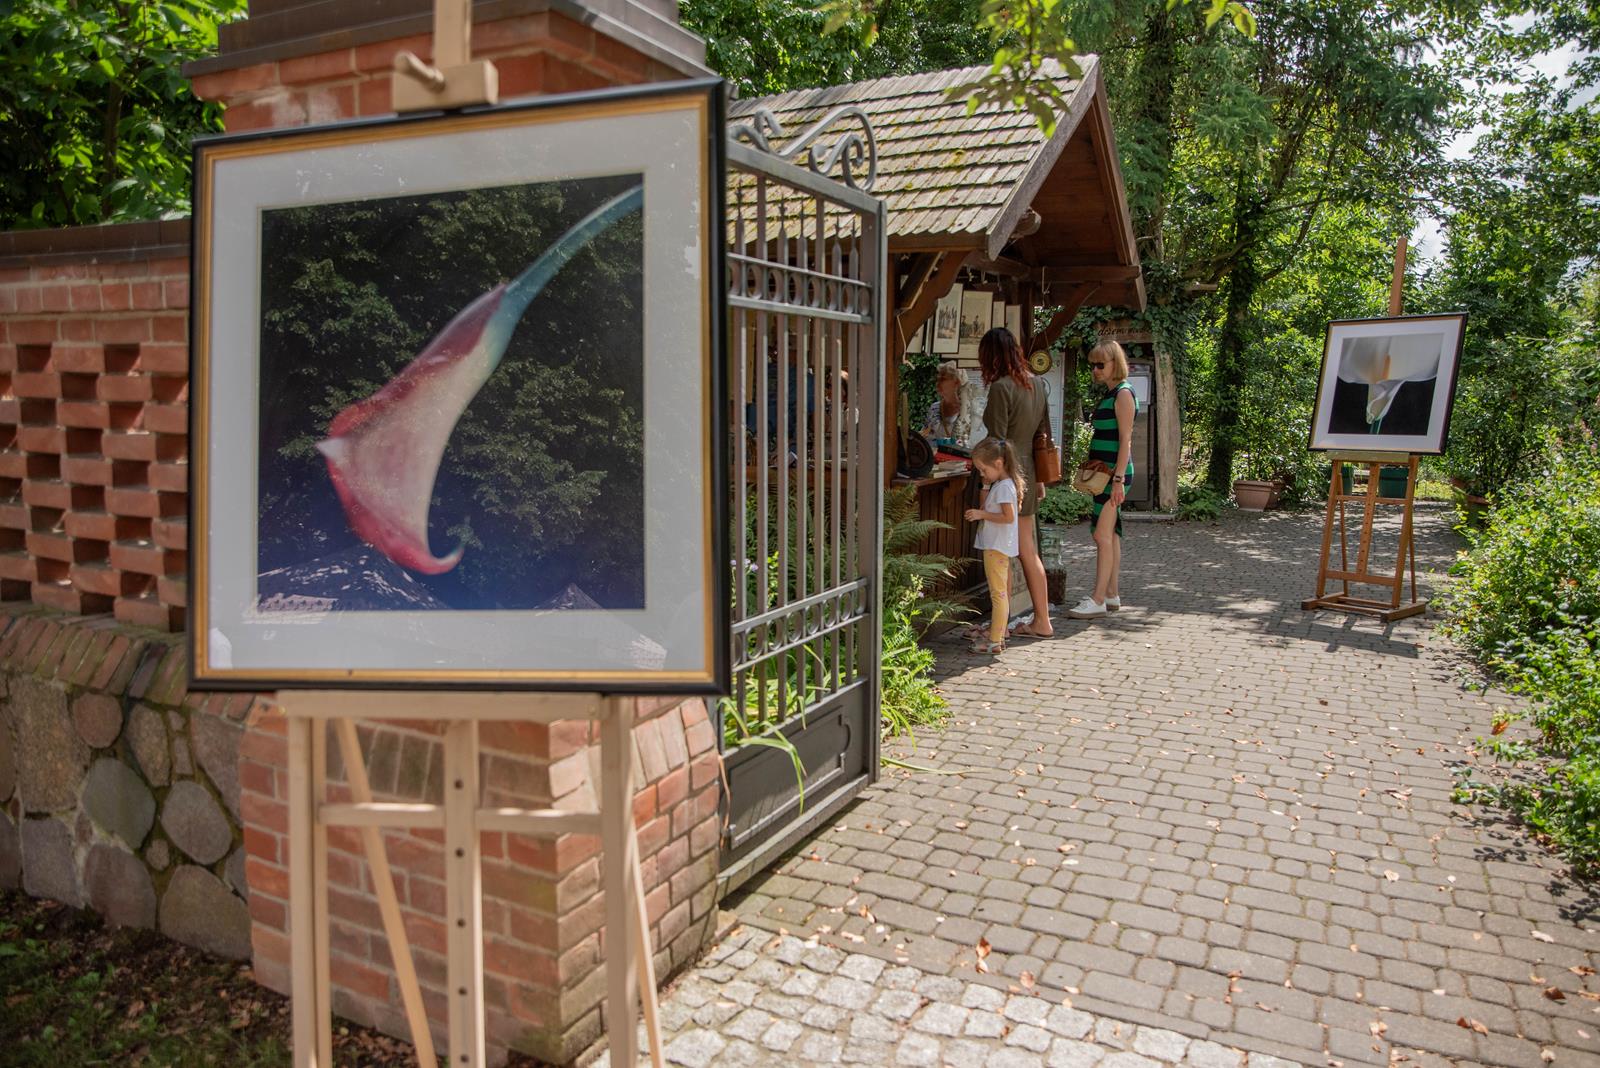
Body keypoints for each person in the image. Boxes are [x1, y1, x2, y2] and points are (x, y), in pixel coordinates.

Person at [977, 327, 1053, 638]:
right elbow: (1041, 435)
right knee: (1027, 549)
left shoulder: (1001, 388)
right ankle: (1042, 620)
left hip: (1005, 475)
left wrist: (985, 484)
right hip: (1029, 473)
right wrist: (1039, 480)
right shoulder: (1037, 384)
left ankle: (1001, 627)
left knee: (1002, 553)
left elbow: (996, 441)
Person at [1070, 339, 1137, 619]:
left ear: (1114, 364)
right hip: (1106, 475)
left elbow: (1126, 440)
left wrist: (1118, 480)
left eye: (1100, 365)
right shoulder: (1112, 393)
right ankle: (1111, 594)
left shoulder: (1123, 394)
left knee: (1101, 535)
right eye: (1093, 365)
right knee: (1110, 535)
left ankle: (1098, 599)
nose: (1095, 370)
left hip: (1113, 476)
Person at [964, 437, 1023, 654]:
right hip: (996, 546)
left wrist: (982, 515)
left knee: (998, 595)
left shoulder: (1005, 488)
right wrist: (986, 486)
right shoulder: (1002, 485)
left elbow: (1008, 517)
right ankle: (997, 638)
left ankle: (995, 641)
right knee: (999, 593)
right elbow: (987, 506)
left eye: (983, 469)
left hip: (996, 547)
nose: (982, 474)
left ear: (998, 464)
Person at [923, 362, 979, 445]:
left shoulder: (972, 411)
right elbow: (926, 437)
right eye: (939, 379)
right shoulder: (935, 408)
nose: (938, 383)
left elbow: (970, 443)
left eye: (943, 379)